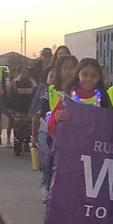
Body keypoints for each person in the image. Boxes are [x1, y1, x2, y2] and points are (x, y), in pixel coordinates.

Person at [47, 58, 113, 224]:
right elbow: (51, 127)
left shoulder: (103, 99)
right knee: (78, 205)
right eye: (84, 74)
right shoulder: (67, 99)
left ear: (99, 78)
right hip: (72, 162)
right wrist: (56, 118)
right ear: (78, 74)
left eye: (93, 75)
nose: (88, 79)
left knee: (92, 204)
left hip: (95, 162)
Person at [32, 54, 78, 203]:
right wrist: (55, 118)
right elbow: (44, 113)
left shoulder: (79, 90)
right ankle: (46, 187)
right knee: (49, 163)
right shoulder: (51, 90)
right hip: (51, 133)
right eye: (65, 68)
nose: (69, 71)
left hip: (73, 135)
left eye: (72, 68)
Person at [6, 66, 37, 154]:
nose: (24, 73)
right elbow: (11, 97)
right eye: (23, 71)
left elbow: (35, 96)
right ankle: (17, 144)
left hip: (29, 110)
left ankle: (26, 142)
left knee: (28, 127)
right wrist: (12, 110)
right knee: (18, 127)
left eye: (26, 71)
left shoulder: (33, 83)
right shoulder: (15, 83)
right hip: (18, 110)